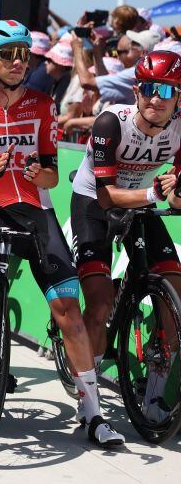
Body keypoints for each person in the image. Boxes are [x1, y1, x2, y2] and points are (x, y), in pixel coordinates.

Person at [0, 19, 124, 446]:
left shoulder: (43, 105)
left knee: (70, 312)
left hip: (36, 212)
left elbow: (51, 176)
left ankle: (92, 411)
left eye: (23, 55)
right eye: (8, 55)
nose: (17, 62)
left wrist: (35, 172)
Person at [71, 50, 181, 425]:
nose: (156, 98)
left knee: (175, 289)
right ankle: (88, 393)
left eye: (166, 91)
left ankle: (153, 395)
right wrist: (156, 193)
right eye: (148, 88)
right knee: (99, 303)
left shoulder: (180, 128)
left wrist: (174, 190)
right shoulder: (110, 123)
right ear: (136, 91)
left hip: (141, 202)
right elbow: (106, 197)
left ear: (178, 98)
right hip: (95, 202)